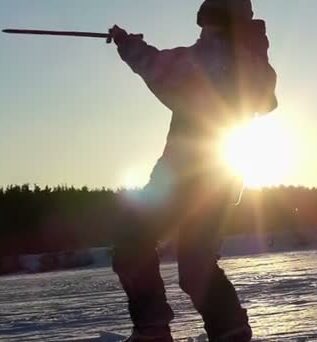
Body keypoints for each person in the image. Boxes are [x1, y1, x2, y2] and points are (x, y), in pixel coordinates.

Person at [109, 1, 277, 341]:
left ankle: (155, 330)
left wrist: (128, 45)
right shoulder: (253, 59)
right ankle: (229, 331)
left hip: (186, 173)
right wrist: (132, 46)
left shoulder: (217, 58)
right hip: (221, 176)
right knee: (195, 264)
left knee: (133, 241)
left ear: (212, 20)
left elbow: (159, 68)